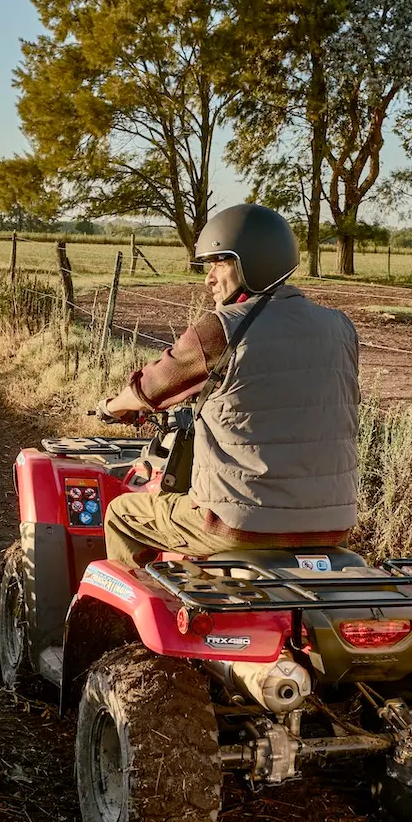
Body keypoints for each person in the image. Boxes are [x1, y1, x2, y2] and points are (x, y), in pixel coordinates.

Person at [95, 203, 361, 570]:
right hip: (334, 525)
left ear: (253, 263)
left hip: (237, 524)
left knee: (123, 514)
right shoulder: (340, 328)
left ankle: (128, 624)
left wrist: (112, 406)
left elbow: (150, 388)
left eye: (220, 262)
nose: (209, 277)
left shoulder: (220, 329)